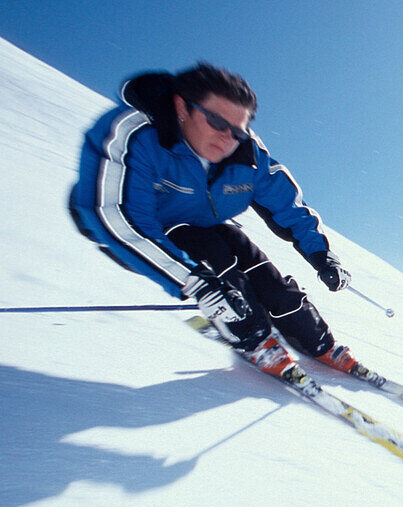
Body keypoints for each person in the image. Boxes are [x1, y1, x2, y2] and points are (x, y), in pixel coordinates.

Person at [70, 62, 361, 375]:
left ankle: (317, 340)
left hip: (200, 223)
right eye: (216, 121)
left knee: (247, 254)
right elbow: (116, 216)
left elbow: (288, 206)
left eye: (237, 131)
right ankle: (254, 338)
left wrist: (322, 256)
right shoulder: (135, 135)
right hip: (122, 230)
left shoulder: (247, 155)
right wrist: (194, 281)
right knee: (213, 252)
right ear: (182, 107)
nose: (227, 139)